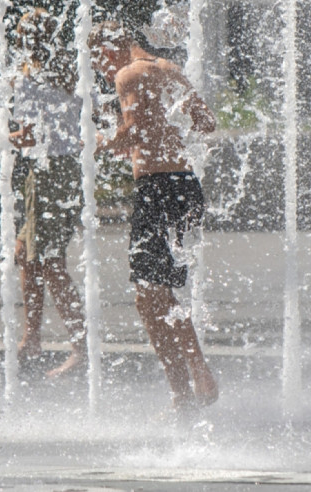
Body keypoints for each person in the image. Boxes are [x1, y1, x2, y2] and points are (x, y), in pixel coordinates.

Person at [89, 21, 219, 412]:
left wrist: (99, 144)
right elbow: (205, 122)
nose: (99, 69)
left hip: (158, 187)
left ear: (109, 47)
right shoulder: (169, 69)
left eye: (97, 59)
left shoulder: (128, 73)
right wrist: (166, 137)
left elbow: (134, 129)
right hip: (184, 185)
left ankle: (194, 377)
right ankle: (184, 389)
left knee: (151, 293)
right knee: (153, 294)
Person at [3, 9, 88, 379]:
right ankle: (31, 337)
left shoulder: (29, 77)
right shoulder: (69, 68)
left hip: (49, 172)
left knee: (52, 264)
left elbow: (30, 137)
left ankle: (81, 349)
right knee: (26, 254)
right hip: (65, 170)